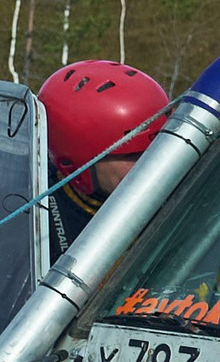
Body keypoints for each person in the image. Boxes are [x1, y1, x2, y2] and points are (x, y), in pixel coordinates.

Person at [38, 60, 170, 248]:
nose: (152, 165)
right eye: (132, 155)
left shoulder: (186, 192)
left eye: (158, 148)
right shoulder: (32, 217)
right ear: (77, 165)